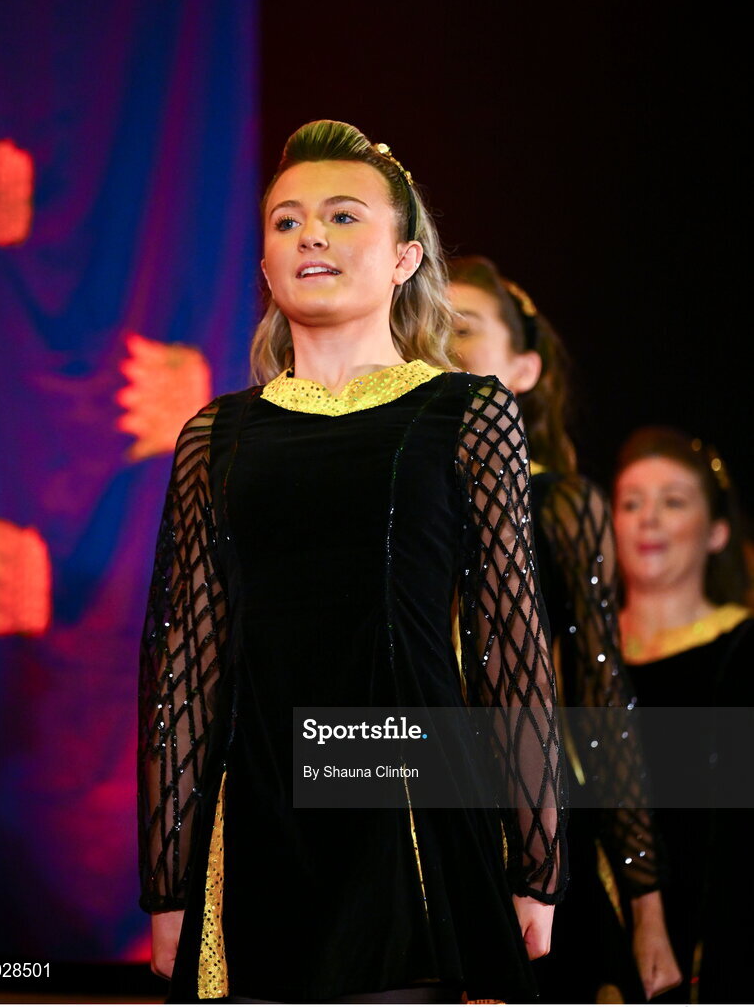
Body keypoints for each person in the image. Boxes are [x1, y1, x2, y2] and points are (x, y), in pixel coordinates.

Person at [137, 122, 568, 1004]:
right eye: (287, 223)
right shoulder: (218, 438)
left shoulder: (466, 412)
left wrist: (537, 858)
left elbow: (509, 644)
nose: (312, 238)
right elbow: (184, 666)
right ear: (264, 266)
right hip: (255, 817)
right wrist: (170, 883)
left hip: (410, 809)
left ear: (406, 257)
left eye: (341, 216)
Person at [447, 256, 681, 1003]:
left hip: (529, 833)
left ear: (522, 369)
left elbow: (600, 699)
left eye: (463, 330)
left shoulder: (557, 504)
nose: (439, 345)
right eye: (424, 328)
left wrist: (646, 908)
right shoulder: (379, 496)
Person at [613, 426, 754, 1003]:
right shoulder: (559, 659)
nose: (648, 519)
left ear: (717, 531)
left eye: (672, 502)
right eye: (630, 503)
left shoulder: (741, 649)